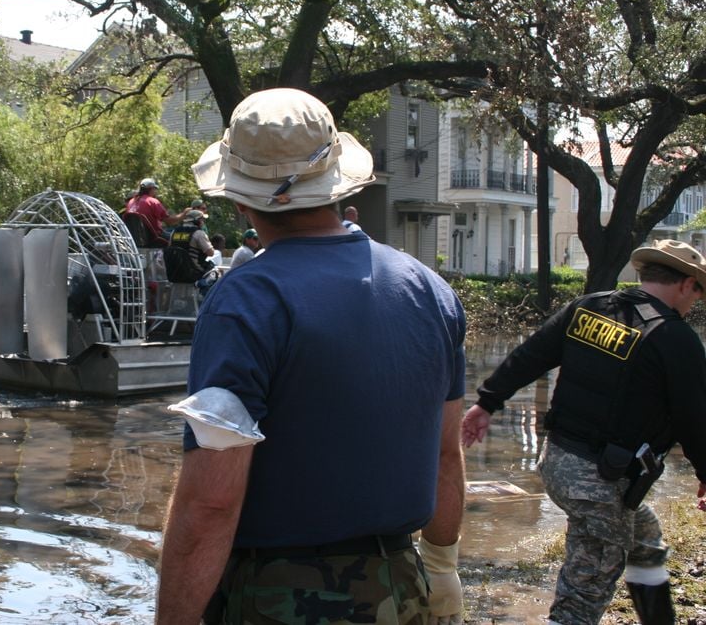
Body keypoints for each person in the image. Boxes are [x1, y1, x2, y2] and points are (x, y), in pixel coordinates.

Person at [157, 88, 467, 625]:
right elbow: (445, 455)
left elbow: (211, 502)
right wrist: (442, 567)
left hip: (277, 598)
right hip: (402, 587)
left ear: (240, 200)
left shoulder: (246, 302)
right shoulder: (431, 291)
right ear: (336, 182)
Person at [461, 239, 706, 624]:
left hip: (556, 462)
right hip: (600, 483)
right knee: (583, 595)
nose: (697, 301)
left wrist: (486, 402)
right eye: (700, 291)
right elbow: (695, 418)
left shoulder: (589, 307)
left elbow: (531, 355)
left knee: (644, 539)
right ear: (687, 283)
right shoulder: (676, 340)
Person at [164, 210, 218, 293]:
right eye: (202, 220)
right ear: (198, 221)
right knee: (215, 272)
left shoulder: (174, 232)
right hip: (193, 273)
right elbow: (211, 253)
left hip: (174, 273)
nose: (203, 222)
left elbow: (170, 248)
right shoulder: (199, 233)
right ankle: (204, 301)